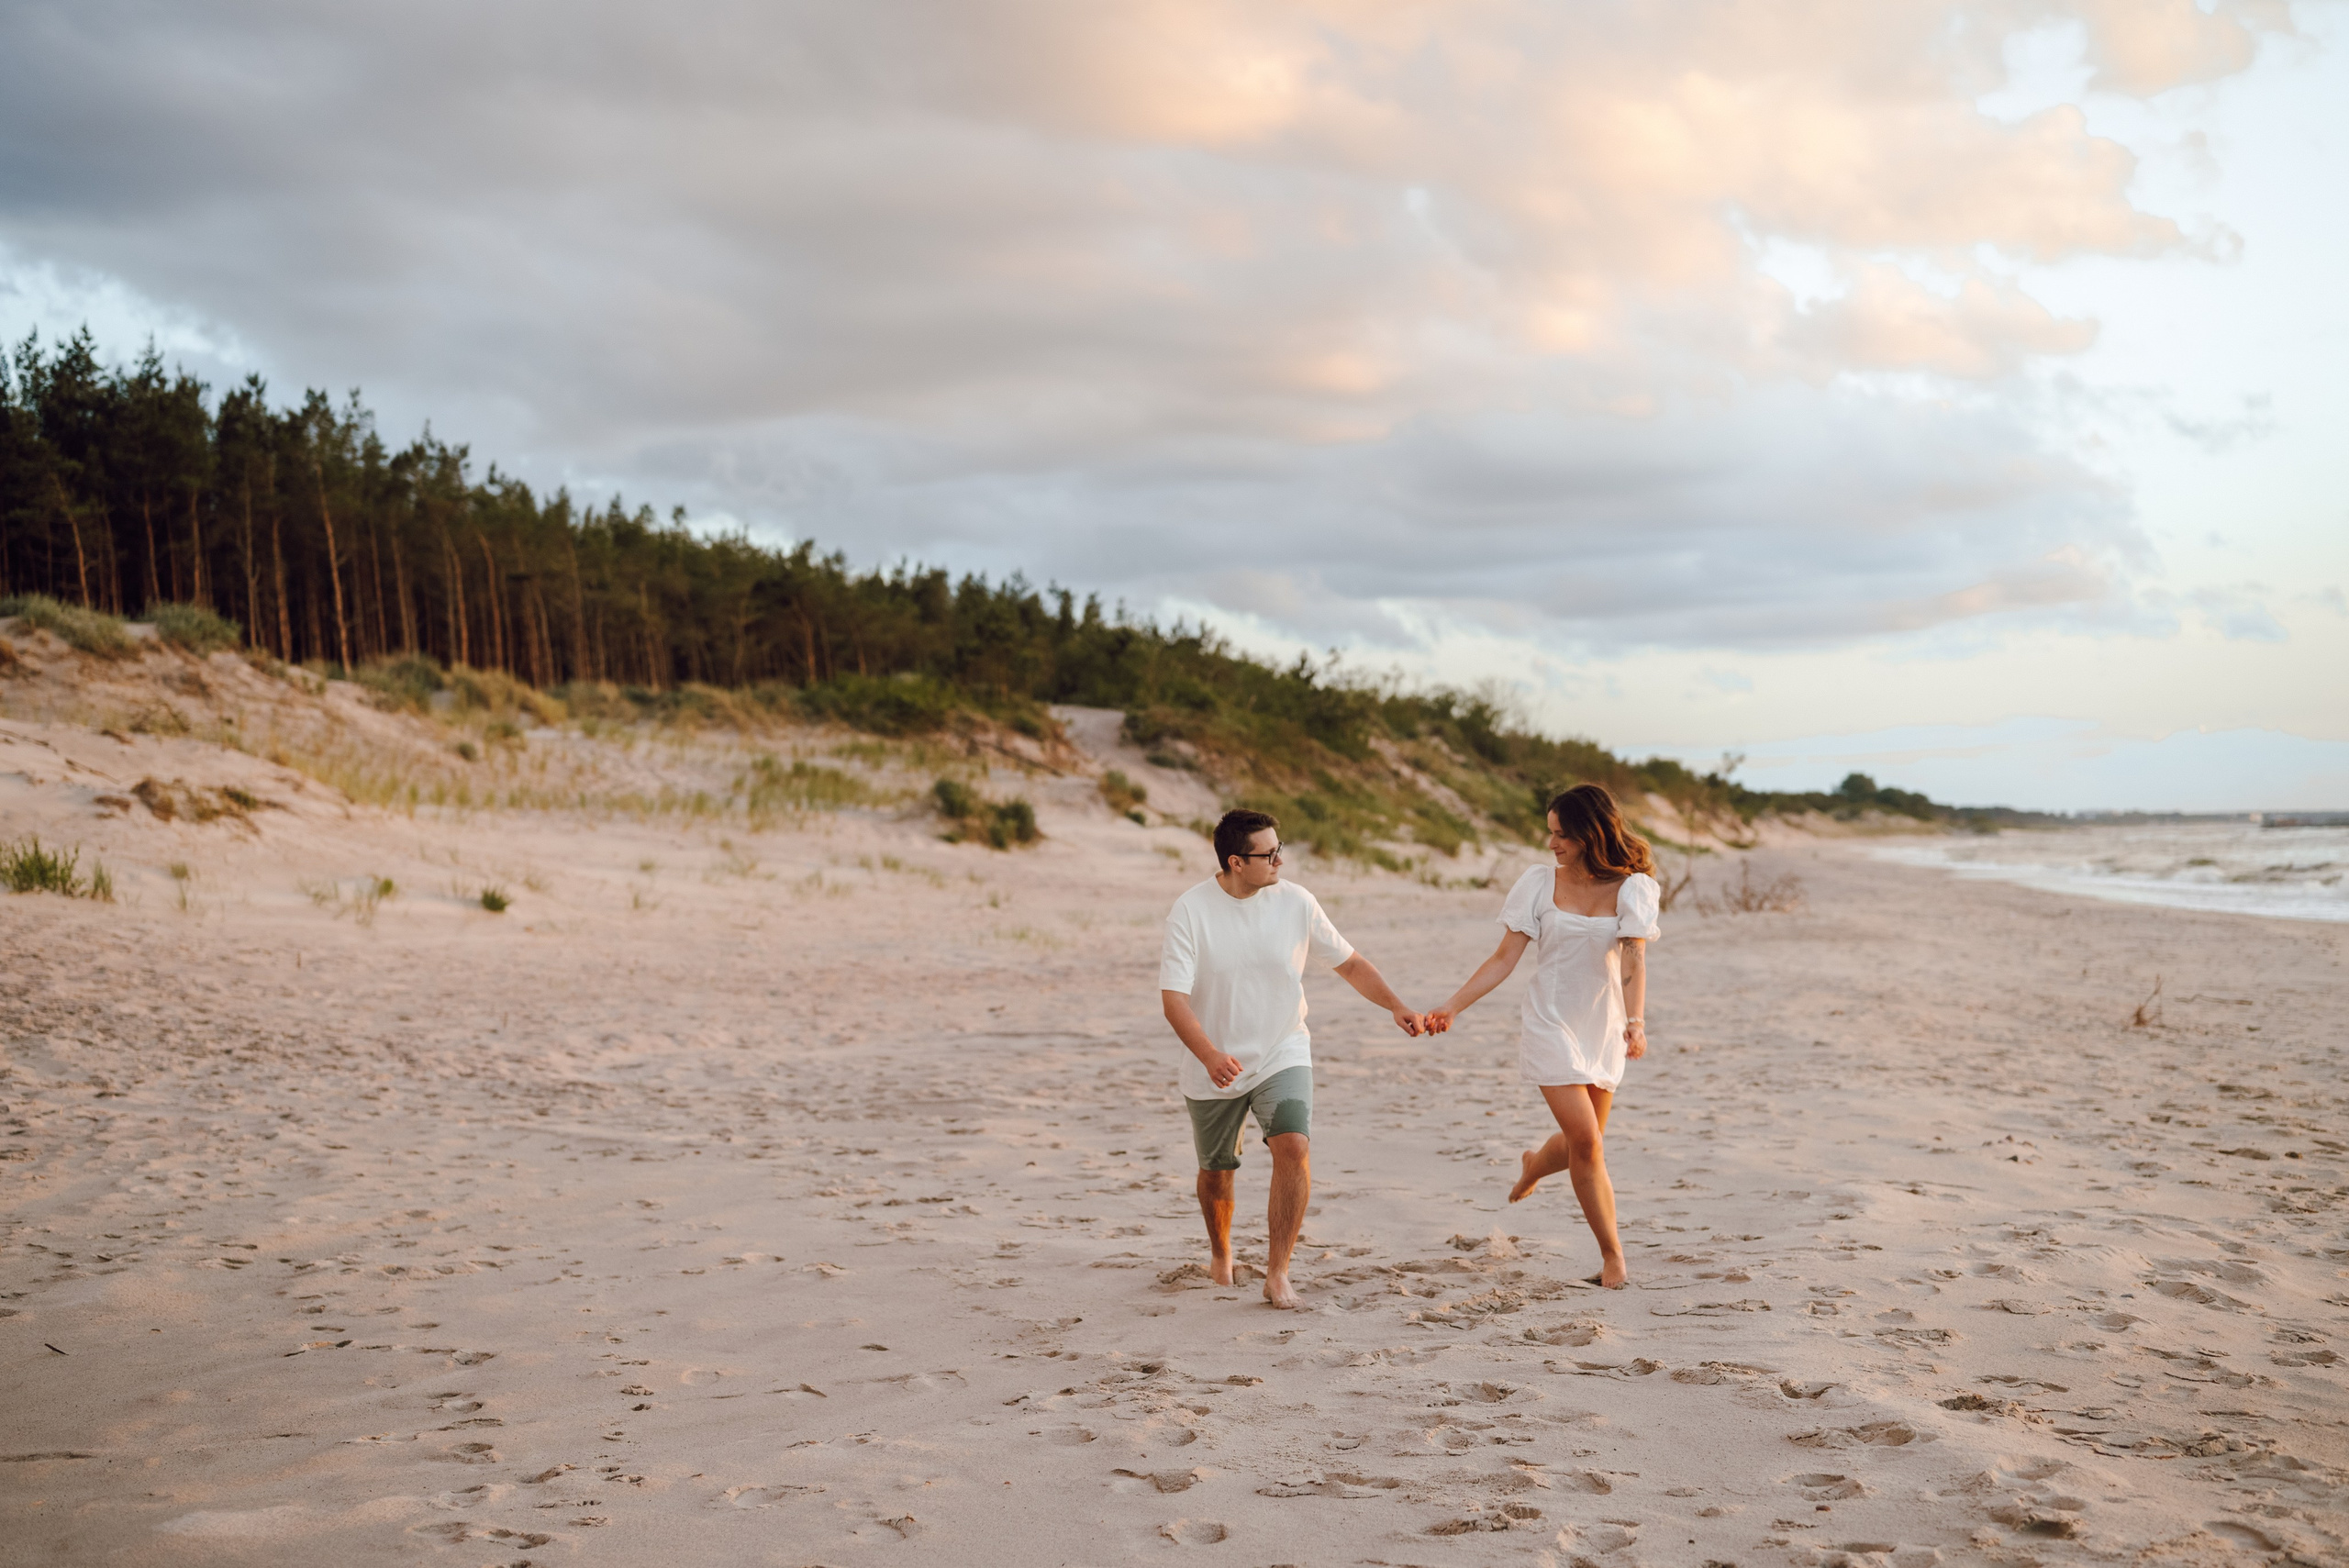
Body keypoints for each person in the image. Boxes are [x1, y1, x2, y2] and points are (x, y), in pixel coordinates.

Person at [1161, 809, 1426, 1309]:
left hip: (1283, 1047)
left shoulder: (1297, 902)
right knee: (1217, 1171)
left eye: (1281, 849)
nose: (1281, 859)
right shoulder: (1190, 911)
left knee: (1294, 1146)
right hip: (1213, 1060)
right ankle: (1222, 1254)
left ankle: (1277, 1272)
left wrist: (1396, 1005)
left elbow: (1349, 962)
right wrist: (1210, 1053)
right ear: (1237, 862)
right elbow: (1174, 1000)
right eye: (1269, 854)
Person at [1425, 784, 1659, 1289]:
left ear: (1589, 834)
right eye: (1550, 833)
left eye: (1561, 835)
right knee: (1588, 1143)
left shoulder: (1632, 888)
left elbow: (1635, 962)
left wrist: (1636, 1023)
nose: (1551, 843)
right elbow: (1504, 958)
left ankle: (1533, 1165)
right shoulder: (1537, 883)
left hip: (1602, 1025)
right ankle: (1613, 1256)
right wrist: (1453, 1005)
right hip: (1549, 1021)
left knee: (1586, 1141)